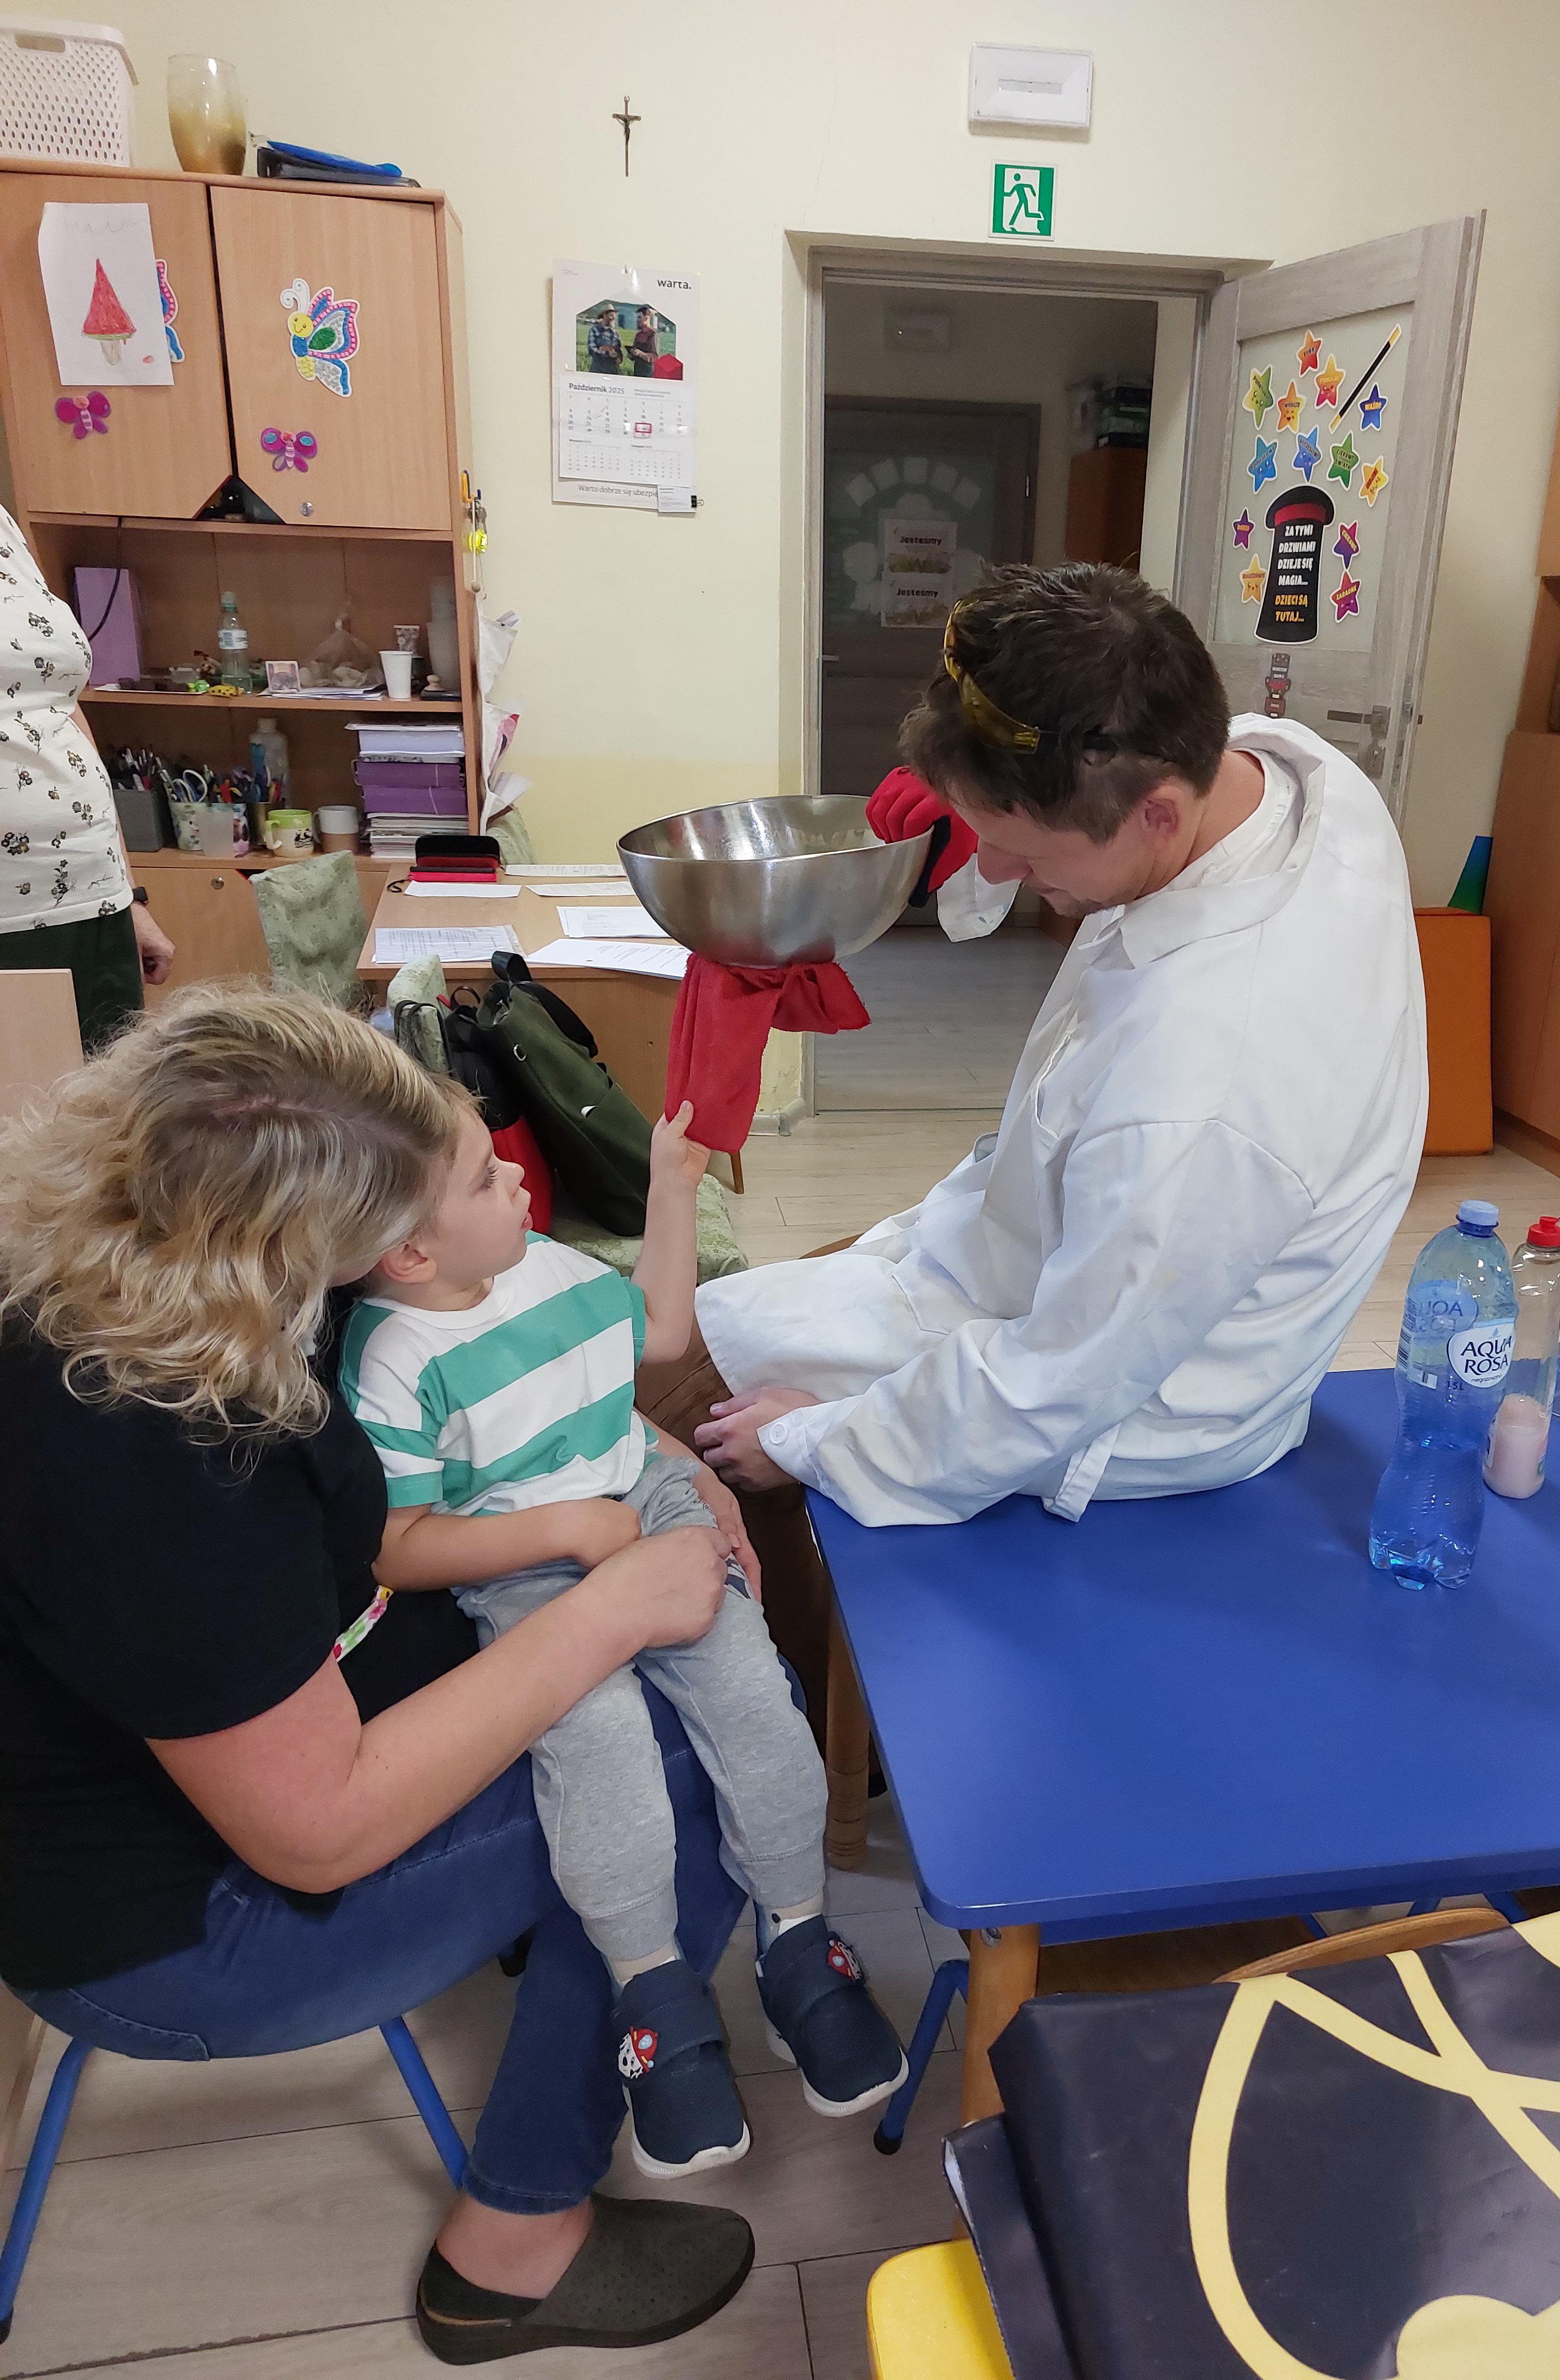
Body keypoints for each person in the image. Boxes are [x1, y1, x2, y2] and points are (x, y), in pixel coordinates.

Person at [0, 987, 758, 2364]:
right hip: (176, 1929)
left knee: (635, 1683)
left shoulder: (159, 1250)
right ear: (320, 1237)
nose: (497, 1181)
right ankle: (513, 2249)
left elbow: (466, 1398)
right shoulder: (158, 1452)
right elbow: (316, 1828)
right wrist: (608, 1610)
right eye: (456, 1182)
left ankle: (555, 1926)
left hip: (274, 1707)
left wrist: (644, 1464)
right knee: (682, 1764)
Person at [685, 561, 1427, 1534]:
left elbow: (1059, 1381)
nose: (994, 869)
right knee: (684, 1346)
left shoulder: (1204, 1081)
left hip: (1125, 1408)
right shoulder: (1283, 767)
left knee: (683, 1438)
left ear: (1158, 813)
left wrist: (821, 1439)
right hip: (1053, 1265)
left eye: (1023, 850)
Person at [340, 1094, 905, 2179]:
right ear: (410, 1252)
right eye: (485, 1175)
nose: (518, 1174)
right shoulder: (392, 1359)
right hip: (520, 1566)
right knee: (600, 1749)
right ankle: (648, 1985)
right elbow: (400, 1545)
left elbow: (660, 1332)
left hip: (647, 1502)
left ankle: (797, 1934)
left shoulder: (540, 1264)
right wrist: (562, 1530)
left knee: (754, 1695)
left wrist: (671, 1187)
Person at [0, 504, 175, 1045]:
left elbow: (62, 703)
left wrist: (128, 894)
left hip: (91, 894)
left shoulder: (6, 527)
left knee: (110, 1090)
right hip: (10, 914)